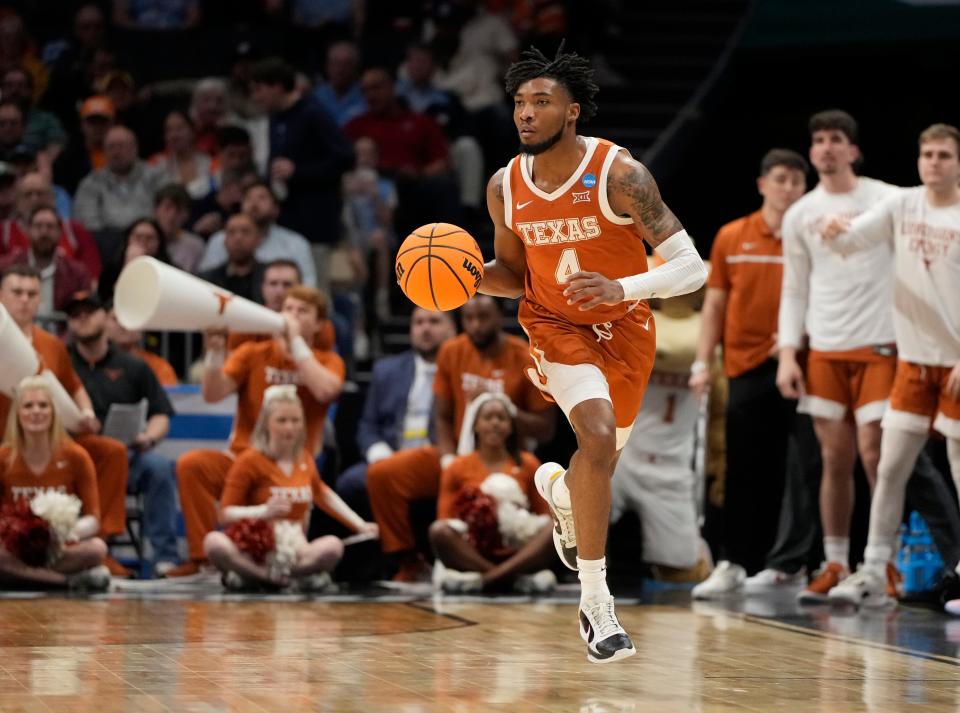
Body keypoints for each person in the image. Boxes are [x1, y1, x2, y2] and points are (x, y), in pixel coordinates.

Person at [477, 46, 706, 662]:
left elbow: (691, 268)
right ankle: (597, 606)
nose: (525, 114)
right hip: (554, 324)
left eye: (541, 102)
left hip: (626, 326)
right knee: (598, 438)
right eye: (520, 103)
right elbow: (511, 272)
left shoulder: (620, 175)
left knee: (596, 462)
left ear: (572, 111)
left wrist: (623, 288)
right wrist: (465, 277)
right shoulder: (504, 186)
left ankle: (560, 496)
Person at [824, 124, 960, 608]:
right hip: (914, 365)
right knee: (890, 469)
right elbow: (851, 242)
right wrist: (835, 232)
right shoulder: (904, 204)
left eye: (944, 154)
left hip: (956, 366)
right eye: (927, 154)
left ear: (957, 163)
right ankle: (873, 568)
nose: (934, 162)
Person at [686, 149, 809, 597]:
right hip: (743, 365)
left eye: (797, 181)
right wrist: (703, 362)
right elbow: (715, 304)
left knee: (801, 469)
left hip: (800, 364)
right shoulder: (732, 236)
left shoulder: (811, 237)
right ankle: (733, 561)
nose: (788, 188)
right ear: (762, 185)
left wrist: (798, 338)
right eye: (780, 179)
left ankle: (791, 564)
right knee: (742, 468)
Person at [366, 296, 555, 582]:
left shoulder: (525, 355)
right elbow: (441, 416)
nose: (476, 326)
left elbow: (545, 427)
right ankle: (409, 562)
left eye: (484, 318)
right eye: (469, 319)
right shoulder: (451, 351)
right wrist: (447, 458)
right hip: (459, 454)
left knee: (554, 525)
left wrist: (505, 407)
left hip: (508, 460)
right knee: (382, 473)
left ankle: (495, 573)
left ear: (501, 316)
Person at [169, 286, 345, 577]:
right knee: (193, 465)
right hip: (242, 459)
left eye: (302, 312)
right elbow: (213, 394)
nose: (292, 316)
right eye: (288, 309)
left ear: (319, 324)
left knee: (324, 546)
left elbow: (325, 390)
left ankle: (275, 567)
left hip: (291, 470)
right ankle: (204, 562)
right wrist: (214, 353)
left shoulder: (328, 361)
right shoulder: (253, 352)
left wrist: (296, 342)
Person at [0, 264, 130, 576]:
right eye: (17, 292)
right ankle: (56, 575)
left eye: (32, 294)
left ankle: (102, 538)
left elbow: (74, 388)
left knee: (111, 451)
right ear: (2, 296)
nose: (24, 300)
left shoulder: (53, 345)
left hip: (49, 438)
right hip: (7, 443)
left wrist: (85, 413)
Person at [205, 385, 376, 590]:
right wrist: (263, 511)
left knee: (333, 547)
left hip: (294, 548)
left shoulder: (304, 458)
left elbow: (323, 494)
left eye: (295, 421)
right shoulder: (249, 461)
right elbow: (224, 514)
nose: (289, 428)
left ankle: (275, 577)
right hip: (254, 549)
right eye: (282, 420)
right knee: (214, 543)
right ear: (266, 424)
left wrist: (360, 525)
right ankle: (266, 577)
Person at [66, 291, 181, 575]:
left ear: (105, 317)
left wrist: (149, 437)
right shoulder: (62, 362)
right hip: (76, 459)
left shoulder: (133, 365)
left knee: (160, 468)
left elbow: (161, 413)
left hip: (127, 455)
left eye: (89, 312)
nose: (82, 319)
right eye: (75, 315)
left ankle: (165, 559)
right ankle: (92, 553)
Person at [335, 307, 456, 517]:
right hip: (391, 455)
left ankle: (402, 548)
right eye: (418, 323)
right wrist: (379, 453)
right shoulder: (386, 369)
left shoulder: (461, 369)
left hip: (438, 459)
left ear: (451, 329)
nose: (425, 329)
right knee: (350, 482)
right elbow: (367, 425)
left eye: (434, 322)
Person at [429, 393, 554, 593]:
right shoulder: (456, 467)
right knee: (439, 531)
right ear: (475, 425)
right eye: (488, 418)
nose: (495, 423)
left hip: (518, 551)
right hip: (473, 551)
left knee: (554, 528)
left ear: (511, 426)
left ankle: (489, 579)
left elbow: (544, 517)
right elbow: (445, 518)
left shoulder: (528, 463)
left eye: (501, 418)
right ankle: (507, 577)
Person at [250, 57, 353, 293]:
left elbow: (346, 158)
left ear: (276, 86)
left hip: (315, 222)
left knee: (314, 292)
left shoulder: (313, 113)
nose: (256, 97)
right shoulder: (275, 117)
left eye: (259, 89)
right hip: (285, 220)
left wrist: (299, 171)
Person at [0, 375, 109, 591]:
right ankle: (67, 582)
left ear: (53, 412)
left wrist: (60, 531)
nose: (36, 411)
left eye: (43, 405)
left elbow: (94, 520)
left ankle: (27, 578)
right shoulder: (3, 457)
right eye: (28, 406)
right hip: (14, 550)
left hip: (60, 549)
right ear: (18, 414)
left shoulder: (76, 456)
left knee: (97, 549)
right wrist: (18, 532)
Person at [198, 182, 317, 288]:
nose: (254, 204)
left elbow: (308, 286)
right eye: (248, 198)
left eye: (262, 198)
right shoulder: (219, 239)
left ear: (276, 209)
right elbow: (204, 283)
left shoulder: (296, 243)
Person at [1, 171, 101, 279]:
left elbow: (93, 277)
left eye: (40, 193)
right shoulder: (3, 232)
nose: (34, 199)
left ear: (52, 197)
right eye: (27, 194)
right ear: (17, 201)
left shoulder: (75, 231)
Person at [73, 126, 166, 243]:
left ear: (134, 148)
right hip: (107, 245)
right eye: (111, 147)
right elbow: (88, 223)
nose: (116, 152)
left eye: (121, 146)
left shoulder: (155, 176)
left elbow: (167, 213)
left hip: (152, 239)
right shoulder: (90, 183)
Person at [0, 205, 91, 318]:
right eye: (38, 226)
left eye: (50, 226)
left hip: (61, 334)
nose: (44, 232)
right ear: (28, 231)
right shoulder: (5, 267)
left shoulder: (77, 273)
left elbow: (85, 313)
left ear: (60, 232)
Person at [97, 218, 170, 304]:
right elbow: (106, 299)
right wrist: (128, 267)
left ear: (159, 242)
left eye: (149, 238)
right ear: (128, 239)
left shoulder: (169, 270)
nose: (143, 242)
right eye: (138, 237)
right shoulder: (113, 268)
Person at [200, 212, 266, 303]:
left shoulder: (270, 278)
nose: (238, 238)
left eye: (245, 232)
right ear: (224, 240)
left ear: (259, 239)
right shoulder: (207, 280)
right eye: (231, 232)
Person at [149, 110, 215, 201]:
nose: (174, 135)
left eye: (180, 128)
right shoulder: (156, 164)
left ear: (192, 131)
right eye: (168, 130)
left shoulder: (210, 162)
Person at [105, 307, 178, 387]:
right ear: (103, 323)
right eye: (115, 319)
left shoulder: (159, 367)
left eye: (131, 319)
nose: (123, 325)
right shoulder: (96, 364)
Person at [153, 183, 204, 274]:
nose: (172, 216)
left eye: (178, 210)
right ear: (156, 210)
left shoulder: (195, 245)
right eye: (167, 208)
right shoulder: (144, 239)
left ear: (186, 215)